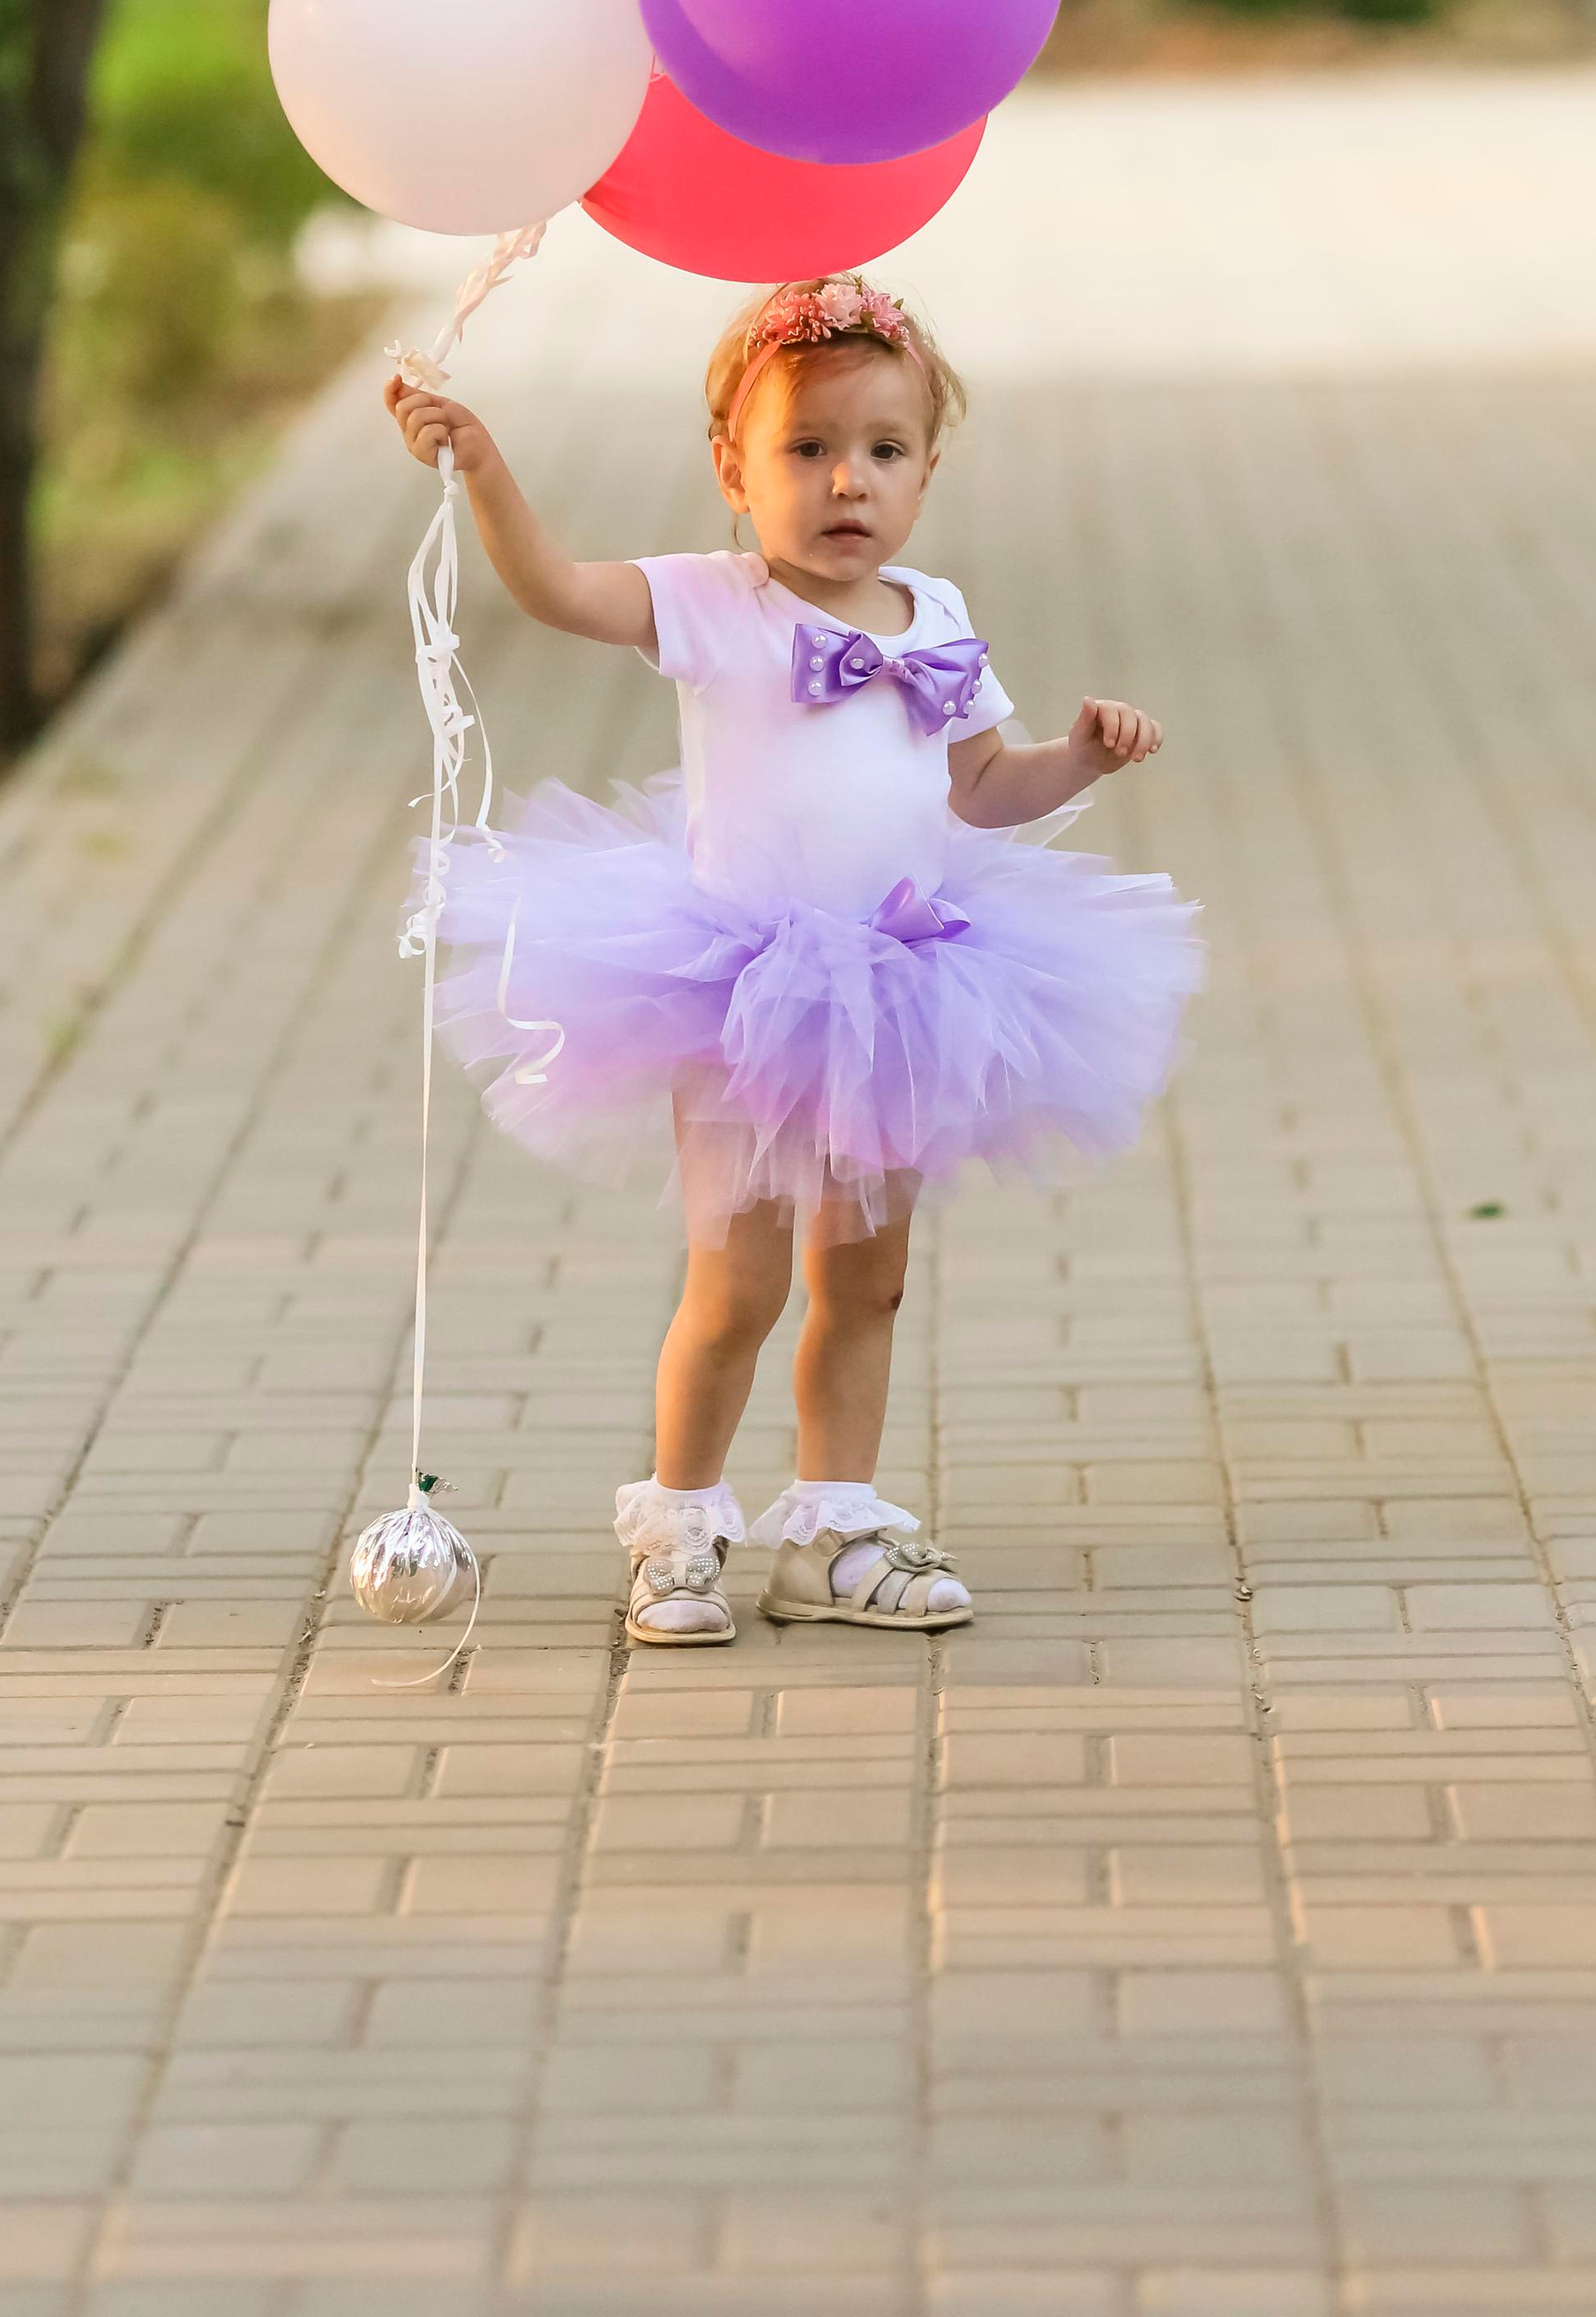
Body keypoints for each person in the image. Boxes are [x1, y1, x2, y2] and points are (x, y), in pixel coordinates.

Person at [386, 274, 1197, 1647]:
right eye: (806, 451)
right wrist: (485, 469)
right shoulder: (715, 601)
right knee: (740, 1279)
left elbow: (980, 785)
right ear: (732, 469)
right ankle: (683, 1525)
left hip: (903, 988)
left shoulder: (934, 614)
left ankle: (833, 1527)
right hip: (747, 992)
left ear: (926, 474)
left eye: (882, 451)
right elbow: (557, 591)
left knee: (866, 1276)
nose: (846, 483)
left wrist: (1081, 759)